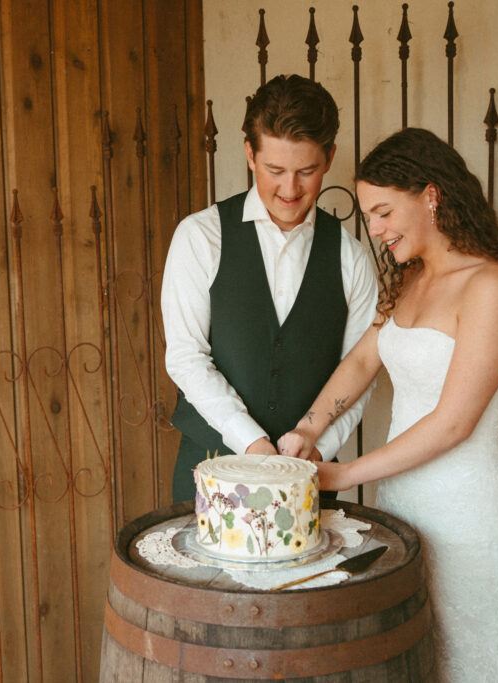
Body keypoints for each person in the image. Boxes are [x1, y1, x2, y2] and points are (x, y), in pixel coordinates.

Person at [277, 127, 498, 681]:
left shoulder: (494, 287)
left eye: (384, 211)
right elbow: (362, 362)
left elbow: (455, 422)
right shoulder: (408, 281)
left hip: (467, 513)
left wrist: (343, 476)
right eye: (369, 216)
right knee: (412, 656)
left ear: (431, 195)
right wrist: (308, 430)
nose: (376, 230)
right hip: (401, 506)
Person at [161, 74, 378, 503]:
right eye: (275, 170)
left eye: (307, 171)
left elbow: (361, 370)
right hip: (209, 473)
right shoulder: (200, 237)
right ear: (249, 154)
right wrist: (253, 445)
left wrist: (318, 449)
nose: (290, 189)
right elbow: (186, 358)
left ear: (330, 157)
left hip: (309, 479)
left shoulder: (350, 257)